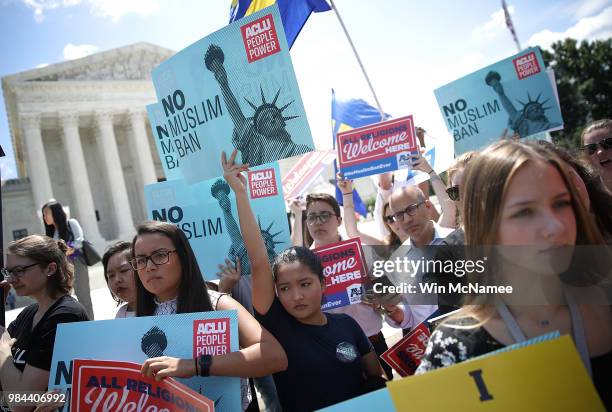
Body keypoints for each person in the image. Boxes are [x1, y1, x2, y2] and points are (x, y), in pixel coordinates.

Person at [416, 140, 611, 408]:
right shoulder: (454, 347)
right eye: (525, 212)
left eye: (561, 204)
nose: (553, 226)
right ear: (487, 225)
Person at [221, 149, 385, 411]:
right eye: (284, 288)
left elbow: (377, 378)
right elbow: (259, 260)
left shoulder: (348, 326)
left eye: (305, 284)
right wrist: (240, 193)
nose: (295, 295)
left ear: (324, 284)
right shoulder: (276, 325)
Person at [134, 220, 287, 412]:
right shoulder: (133, 321)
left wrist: (195, 366)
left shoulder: (218, 304)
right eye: (140, 260)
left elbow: (275, 356)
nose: (149, 266)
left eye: (160, 255)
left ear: (183, 257)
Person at [294, 191, 393, 380]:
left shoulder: (361, 252)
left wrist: (380, 299)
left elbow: (390, 296)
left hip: (371, 339)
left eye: (325, 215)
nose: (318, 222)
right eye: (312, 217)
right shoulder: (302, 265)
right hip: (331, 347)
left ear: (339, 220)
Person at [0, 235, 89, 412]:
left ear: (50, 268)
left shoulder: (66, 315)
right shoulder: (29, 313)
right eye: (7, 272)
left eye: (19, 270)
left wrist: (2, 349)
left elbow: (21, 403)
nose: (10, 279)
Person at [41, 200, 94, 319]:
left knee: (84, 296)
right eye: (43, 214)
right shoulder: (51, 233)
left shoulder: (71, 223)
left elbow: (80, 241)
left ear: (56, 212)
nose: (45, 217)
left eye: (47, 213)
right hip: (60, 267)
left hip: (76, 263)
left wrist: (68, 248)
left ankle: (90, 324)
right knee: (63, 300)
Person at [102, 241, 136, 318]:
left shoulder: (163, 310)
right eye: (111, 275)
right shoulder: (120, 315)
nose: (117, 280)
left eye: (123, 270)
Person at [580, 119, 612, 193]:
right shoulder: (586, 195)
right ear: (586, 158)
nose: (600, 152)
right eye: (591, 148)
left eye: (609, 143)